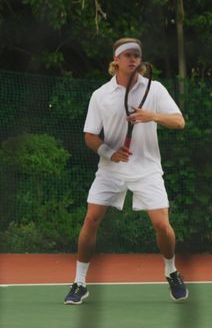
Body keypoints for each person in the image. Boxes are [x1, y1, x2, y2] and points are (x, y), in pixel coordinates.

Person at [64, 38, 188, 305]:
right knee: (91, 219)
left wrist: (152, 115)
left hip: (147, 169)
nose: (133, 59)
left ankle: (171, 271)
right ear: (116, 61)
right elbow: (89, 136)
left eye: (137, 55)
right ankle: (80, 282)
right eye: (127, 55)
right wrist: (109, 152)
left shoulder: (155, 89)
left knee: (162, 226)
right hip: (111, 169)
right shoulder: (100, 95)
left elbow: (179, 121)